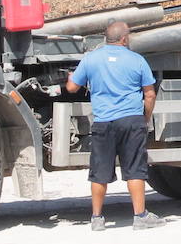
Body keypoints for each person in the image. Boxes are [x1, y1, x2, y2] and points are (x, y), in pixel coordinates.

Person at [65, 21, 164, 231]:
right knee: (135, 169)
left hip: (103, 121)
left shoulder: (91, 59)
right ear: (124, 39)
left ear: (105, 38)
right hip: (131, 120)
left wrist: (71, 77)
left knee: (99, 171)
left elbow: (72, 87)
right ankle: (140, 216)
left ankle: (97, 218)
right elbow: (150, 93)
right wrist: (145, 117)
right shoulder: (137, 60)